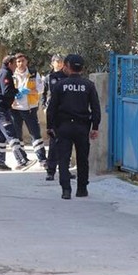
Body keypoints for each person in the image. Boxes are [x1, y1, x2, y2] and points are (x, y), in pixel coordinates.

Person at [47, 54, 101, 200]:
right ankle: (82, 189)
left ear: (67, 66)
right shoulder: (88, 85)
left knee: (63, 158)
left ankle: (66, 190)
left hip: (63, 126)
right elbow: (96, 107)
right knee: (82, 159)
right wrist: (95, 127)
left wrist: (50, 126)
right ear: (82, 68)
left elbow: (52, 108)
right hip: (82, 127)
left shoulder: (60, 85)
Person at [0, 55, 37, 171]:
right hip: (1, 109)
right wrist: (18, 91)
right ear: (9, 64)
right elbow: (6, 92)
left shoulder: (2, 73)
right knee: (11, 134)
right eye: (15, 63)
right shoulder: (5, 74)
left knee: (0, 137)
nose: (16, 65)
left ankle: (0, 162)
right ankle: (22, 160)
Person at [42, 54, 75, 181]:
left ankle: (65, 170)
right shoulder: (51, 77)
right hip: (55, 113)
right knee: (54, 143)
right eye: (58, 61)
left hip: (68, 113)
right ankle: (50, 171)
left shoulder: (71, 77)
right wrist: (45, 105)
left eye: (62, 62)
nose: (60, 64)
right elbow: (45, 94)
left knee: (67, 144)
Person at [11, 53, 47, 165]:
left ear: (26, 61)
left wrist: (29, 91)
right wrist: (14, 94)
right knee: (17, 134)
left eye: (23, 61)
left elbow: (41, 88)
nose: (21, 63)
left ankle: (42, 159)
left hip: (30, 107)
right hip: (15, 107)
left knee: (35, 133)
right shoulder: (11, 74)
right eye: (18, 61)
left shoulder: (33, 73)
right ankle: (22, 159)